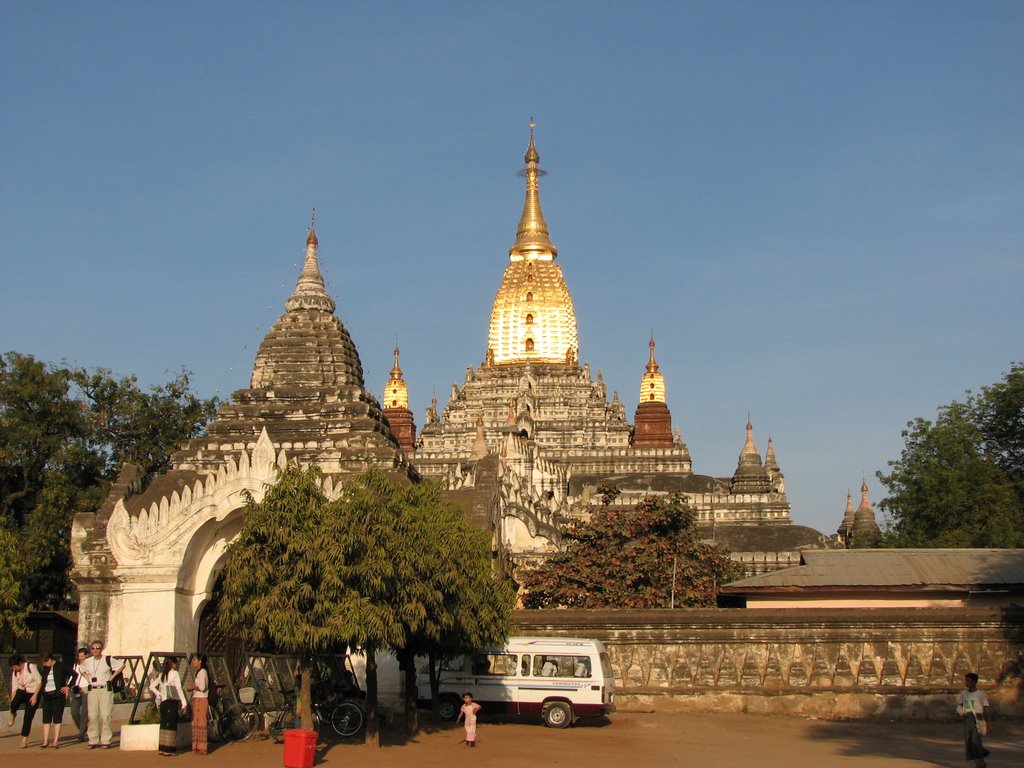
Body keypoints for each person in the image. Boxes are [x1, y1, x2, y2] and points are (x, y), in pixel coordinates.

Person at [79, 640, 125, 749]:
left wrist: (111, 678)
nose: (95, 650)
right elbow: (82, 670)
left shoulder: (107, 659)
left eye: (98, 648)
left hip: (105, 689)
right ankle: (93, 740)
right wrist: (88, 679)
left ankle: (105, 740)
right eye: (93, 648)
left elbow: (121, 666)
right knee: (93, 716)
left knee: (105, 715)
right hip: (93, 690)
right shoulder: (87, 661)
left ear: (101, 649)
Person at [149, 656, 188, 756]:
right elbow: (179, 688)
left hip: (163, 703)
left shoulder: (162, 674)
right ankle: (169, 749)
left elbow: (152, 686)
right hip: (171, 702)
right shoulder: (174, 674)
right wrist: (184, 703)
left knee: (164, 723)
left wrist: (159, 694)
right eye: (176, 663)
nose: (177, 665)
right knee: (171, 724)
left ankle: (162, 747)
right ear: (173, 664)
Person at [38, 652, 73, 749]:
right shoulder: (45, 668)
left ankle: (55, 741)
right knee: (46, 719)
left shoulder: (61, 666)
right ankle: (45, 741)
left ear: (49, 659)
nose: (44, 665)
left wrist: (68, 687)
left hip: (58, 695)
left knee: (57, 718)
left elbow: (74, 674)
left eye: (45, 662)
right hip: (47, 696)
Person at [7, 653, 41, 748]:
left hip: (33, 692)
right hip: (22, 691)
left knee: (28, 717)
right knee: (14, 702)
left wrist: (35, 696)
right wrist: (13, 705)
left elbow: (39, 681)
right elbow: (14, 688)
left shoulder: (31, 667)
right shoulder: (15, 673)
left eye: (14, 667)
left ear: (20, 664)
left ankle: (24, 740)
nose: (14, 669)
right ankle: (13, 713)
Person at [958, 672, 992, 768]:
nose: (966, 682)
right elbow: (960, 705)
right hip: (967, 719)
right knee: (969, 741)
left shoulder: (980, 695)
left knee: (975, 740)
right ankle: (980, 758)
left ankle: (980, 759)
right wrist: (960, 712)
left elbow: (986, 708)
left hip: (977, 718)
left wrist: (989, 723)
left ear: (974, 682)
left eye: (968, 680)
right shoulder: (964, 694)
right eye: (966, 680)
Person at [185, 655, 210, 755]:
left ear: (200, 661)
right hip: (197, 699)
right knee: (196, 722)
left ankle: (202, 747)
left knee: (201, 722)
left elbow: (203, 687)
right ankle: (197, 746)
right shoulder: (199, 672)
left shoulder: (202, 672)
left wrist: (193, 687)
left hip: (201, 699)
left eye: (195, 660)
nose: (193, 662)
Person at [68, 647, 89, 742]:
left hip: (86, 689)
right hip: (76, 689)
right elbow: (73, 676)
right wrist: (69, 686)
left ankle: (81, 734)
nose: (81, 658)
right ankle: (83, 729)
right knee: (74, 712)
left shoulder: (90, 665)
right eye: (79, 656)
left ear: (86, 656)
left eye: (82, 656)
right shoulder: (76, 665)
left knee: (84, 712)